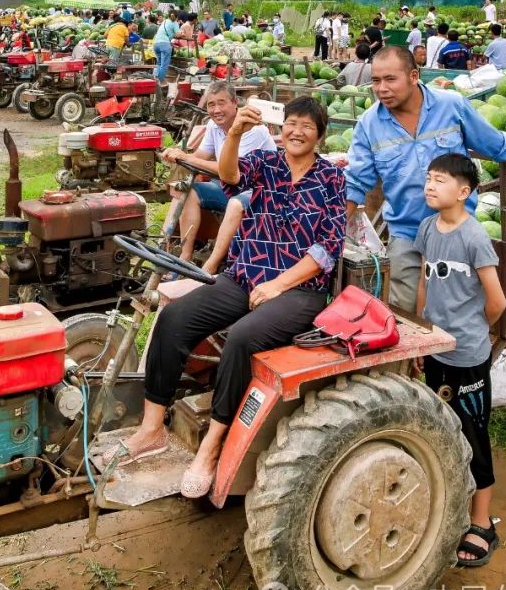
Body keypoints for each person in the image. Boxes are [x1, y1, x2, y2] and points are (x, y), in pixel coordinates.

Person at [102, 97, 347, 498]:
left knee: (242, 339)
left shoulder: (331, 179)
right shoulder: (267, 164)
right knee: (173, 319)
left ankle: (212, 446)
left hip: (300, 289)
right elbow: (230, 175)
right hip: (245, 276)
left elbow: (327, 249)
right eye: (291, 124)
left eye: (307, 125)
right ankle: (151, 430)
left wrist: (280, 284)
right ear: (281, 129)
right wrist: (234, 133)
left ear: (319, 135)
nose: (297, 131)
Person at [344, 46, 506, 312]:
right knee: (407, 309)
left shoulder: (451, 105)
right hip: (407, 233)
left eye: (390, 79)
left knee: (457, 308)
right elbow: (355, 182)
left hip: (455, 230)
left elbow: (487, 139)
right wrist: (333, 230)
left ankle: (457, 352)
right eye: (376, 80)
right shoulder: (369, 124)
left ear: (413, 76)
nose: (381, 89)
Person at [414, 153, 506, 567]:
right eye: (428, 179)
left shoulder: (474, 237)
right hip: (433, 348)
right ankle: (448, 499)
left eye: (440, 180)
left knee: (473, 432)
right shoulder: (426, 228)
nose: (431, 186)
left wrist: (471, 331)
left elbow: (496, 302)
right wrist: (420, 334)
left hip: (467, 354)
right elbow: (424, 283)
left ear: (464, 192)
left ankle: (482, 523)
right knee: (438, 425)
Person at [162, 82, 277, 265]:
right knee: (185, 190)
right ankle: (179, 256)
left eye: (221, 103)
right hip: (229, 188)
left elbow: (230, 172)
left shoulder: (252, 129)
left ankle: (211, 264)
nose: (216, 110)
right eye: (211, 104)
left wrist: (188, 158)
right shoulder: (213, 127)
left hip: (257, 192)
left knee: (234, 202)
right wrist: (177, 154)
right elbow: (200, 156)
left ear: (234, 103)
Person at [153, 11, 180, 84]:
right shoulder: (175, 23)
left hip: (156, 44)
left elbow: (164, 34)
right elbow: (178, 35)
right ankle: (161, 82)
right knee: (164, 65)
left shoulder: (165, 21)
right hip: (165, 45)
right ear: (177, 17)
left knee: (158, 63)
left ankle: (154, 79)